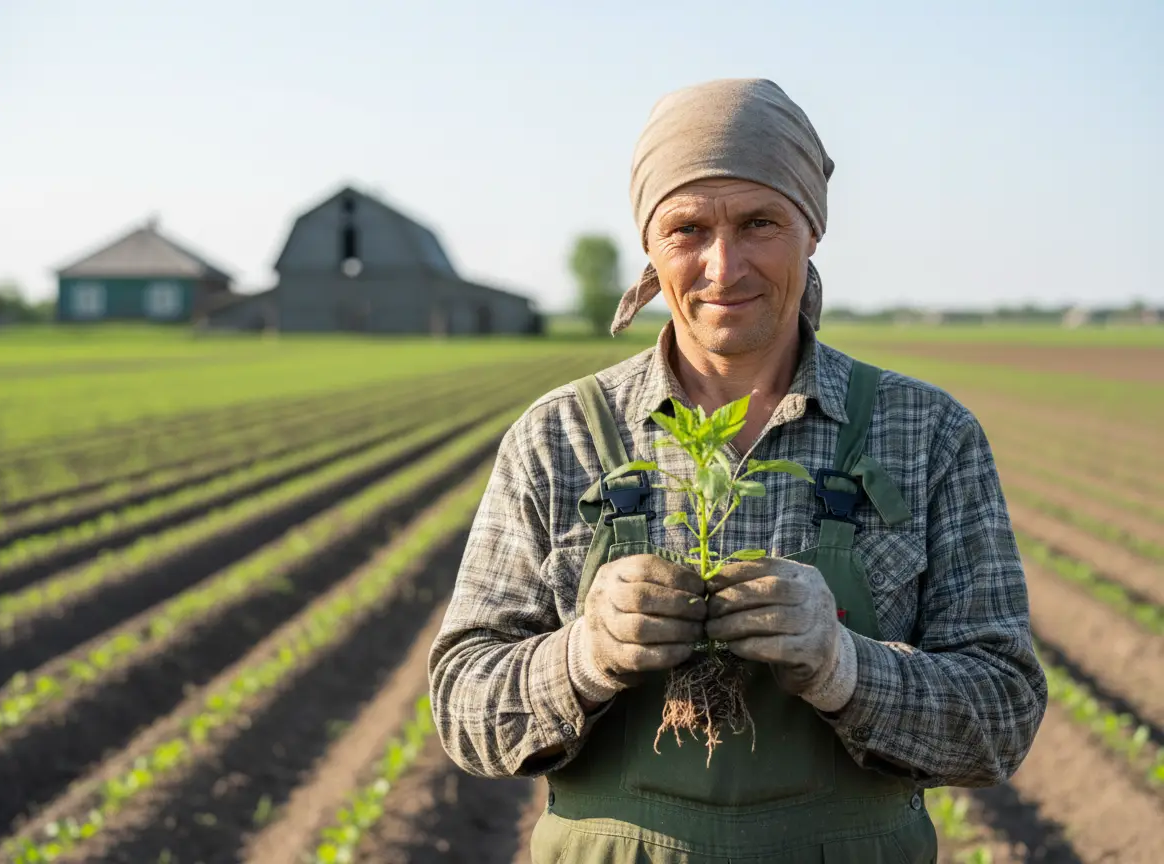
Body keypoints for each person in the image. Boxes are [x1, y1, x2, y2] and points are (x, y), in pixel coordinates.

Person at [428, 77, 1047, 863]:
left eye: (761, 223)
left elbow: (1002, 714)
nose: (724, 267)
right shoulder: (560, 437)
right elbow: (463, 705)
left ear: (812, 231)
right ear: (650, 248)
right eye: (688, 229)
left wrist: (844, 667)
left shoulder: (927, 434)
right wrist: (583, 655)